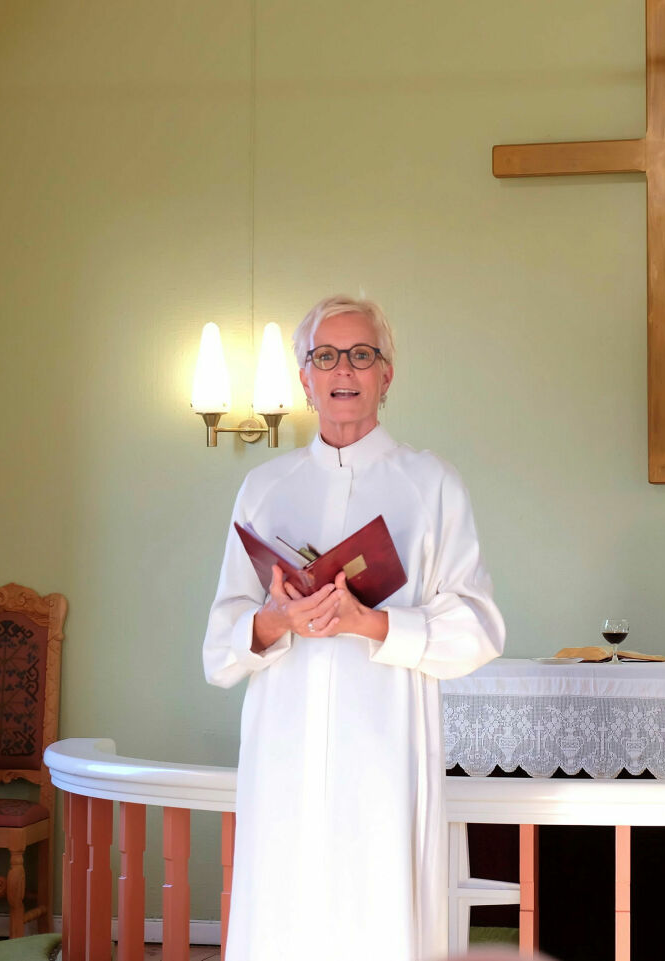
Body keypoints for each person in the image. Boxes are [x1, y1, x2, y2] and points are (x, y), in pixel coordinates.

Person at [202, 295, 505, 961]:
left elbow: (480, 627)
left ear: (386, 375)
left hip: (384, 752)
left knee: (378, 915)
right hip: (283, 751)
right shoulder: (264, 487)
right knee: (282, 913)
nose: (345, 369)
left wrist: (374, 623)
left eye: (361, 354)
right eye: (327, 355)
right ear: (304, 375)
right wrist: (275, 619)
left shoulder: (432, 485)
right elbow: (218, 649)